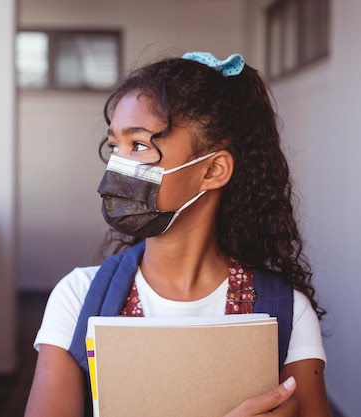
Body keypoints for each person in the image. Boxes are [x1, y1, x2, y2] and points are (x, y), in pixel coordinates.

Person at [24, 51, 331, 417]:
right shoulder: (77, 299)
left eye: (138, 145)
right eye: (114, 147)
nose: (117, 167)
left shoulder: (287, 312)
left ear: (213, 170)